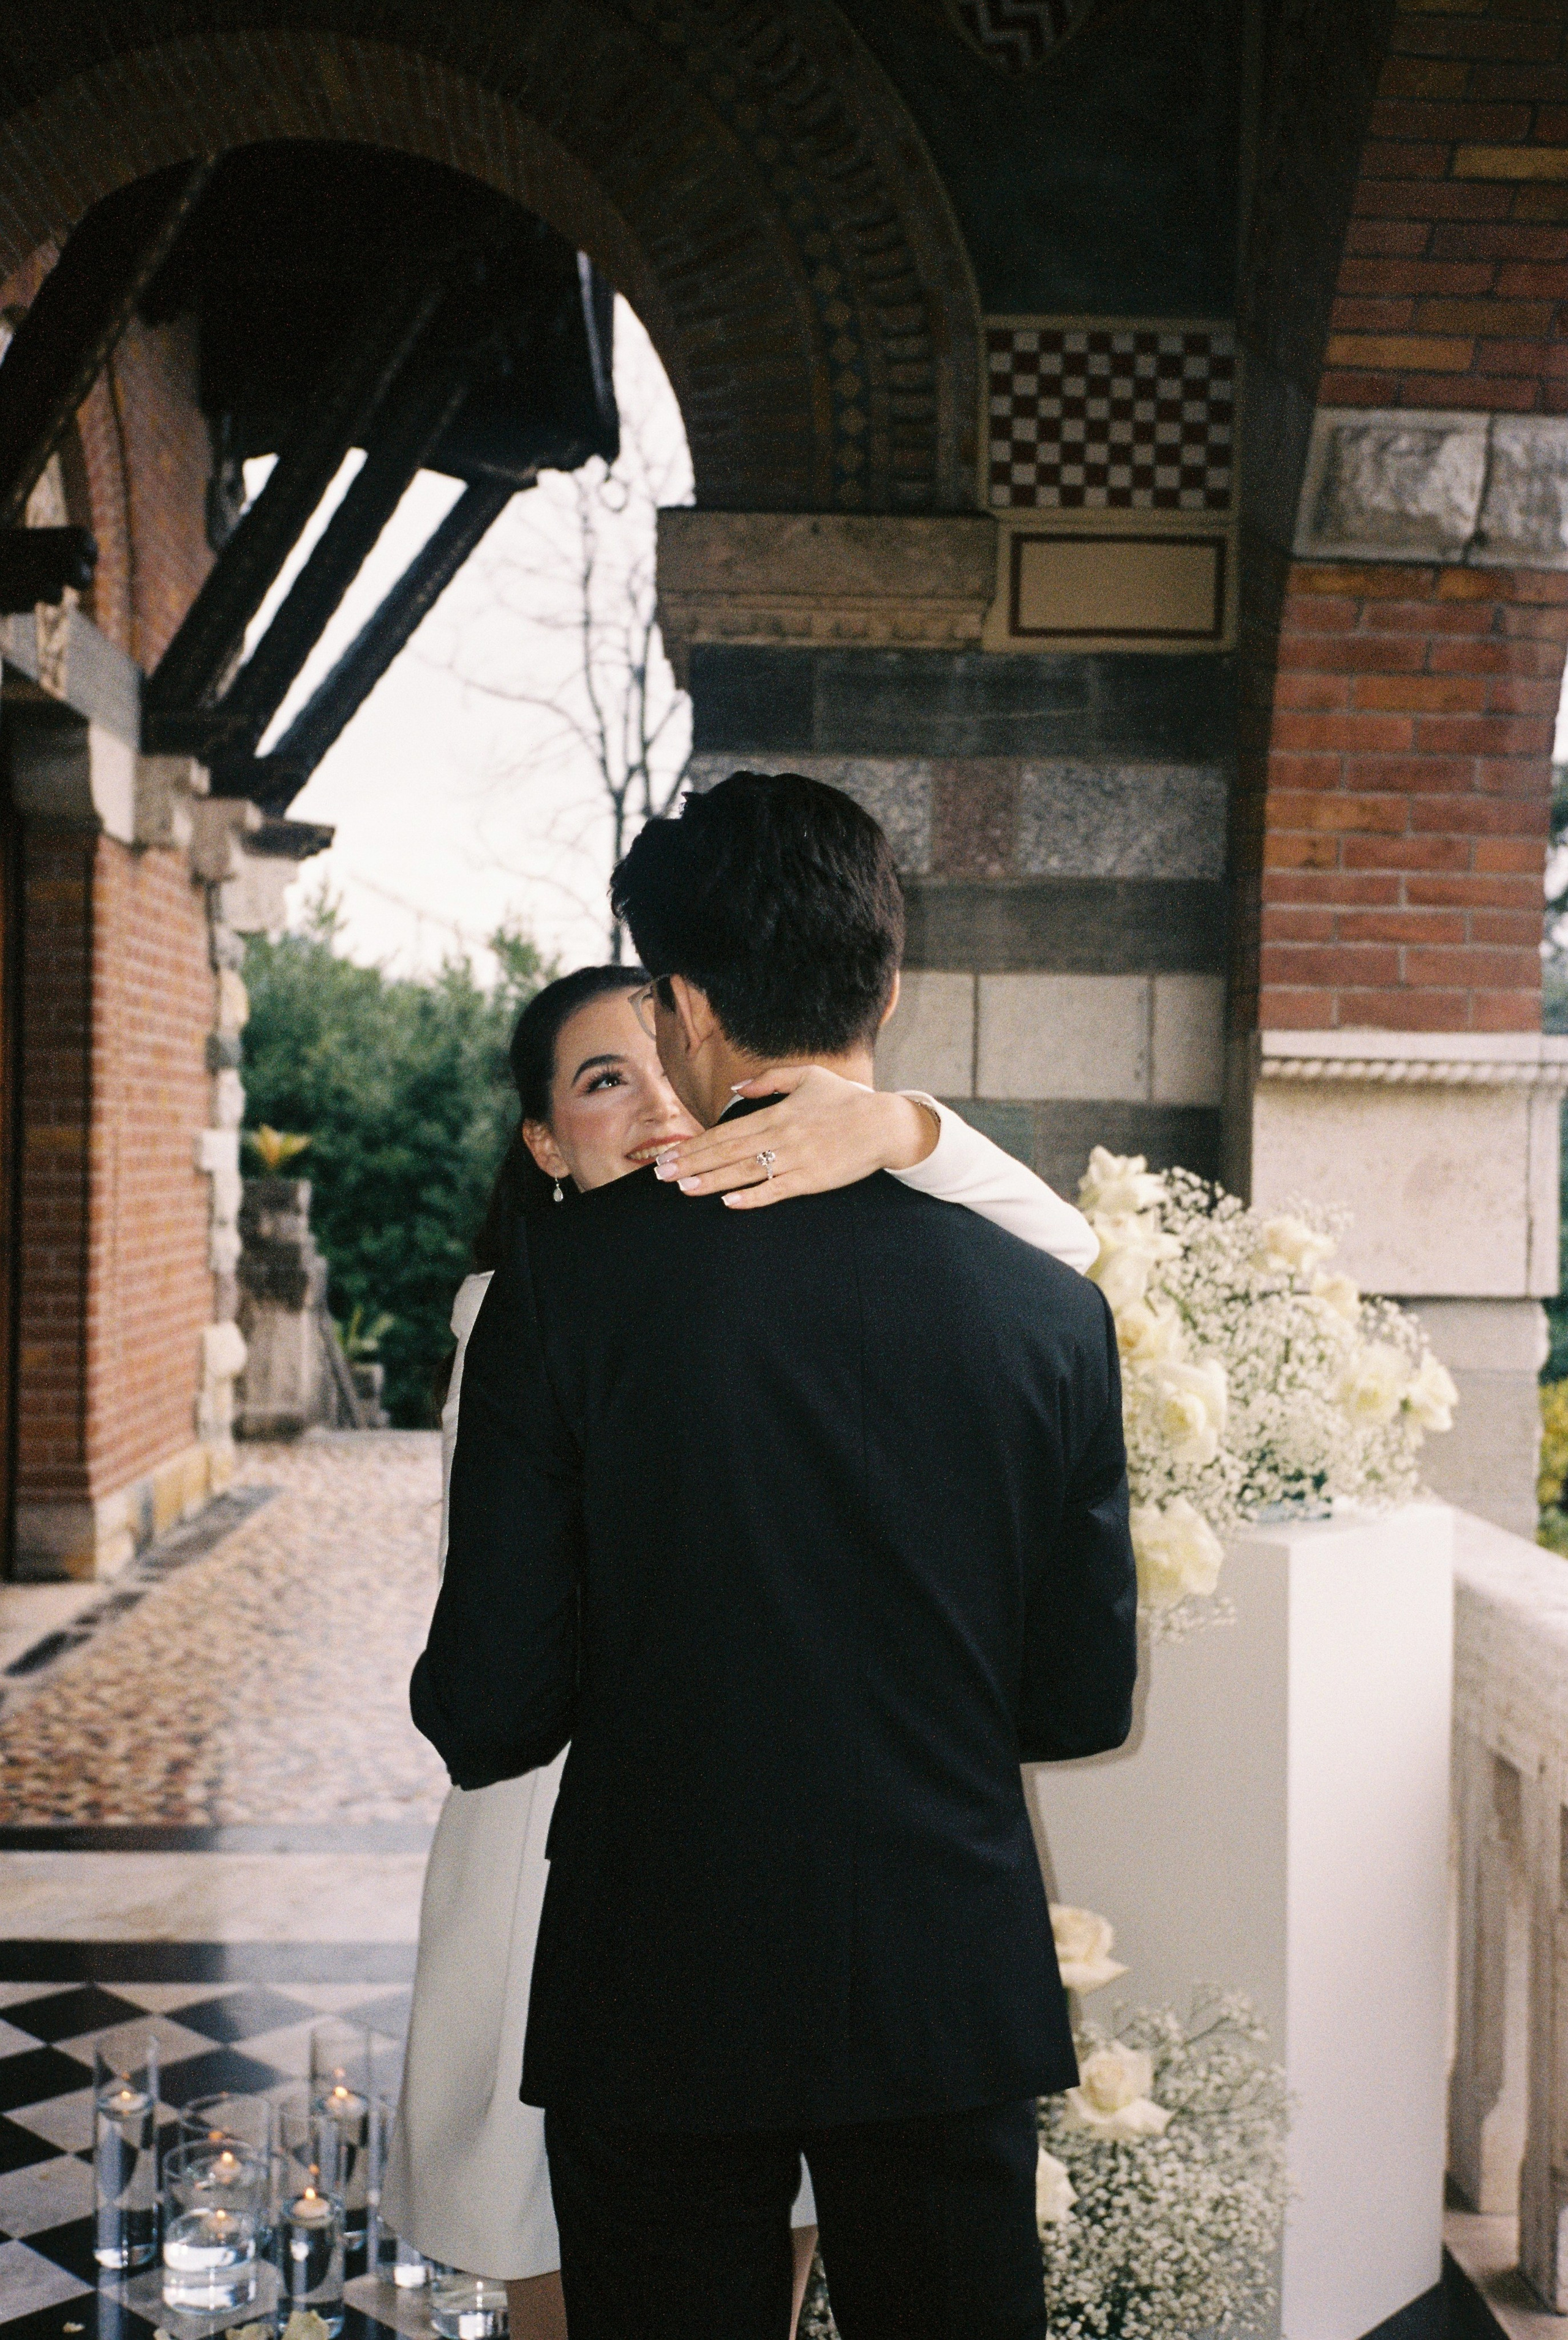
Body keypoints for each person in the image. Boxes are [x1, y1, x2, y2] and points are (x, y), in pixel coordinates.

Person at [412, 772, 1139, 2337]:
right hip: (943, 1976)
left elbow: (489, 1705)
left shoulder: (561, 1285)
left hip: (656, 1976)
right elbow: (1077, 1698)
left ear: (682, 1005)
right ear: (887, 984)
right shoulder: (1050, 1310)